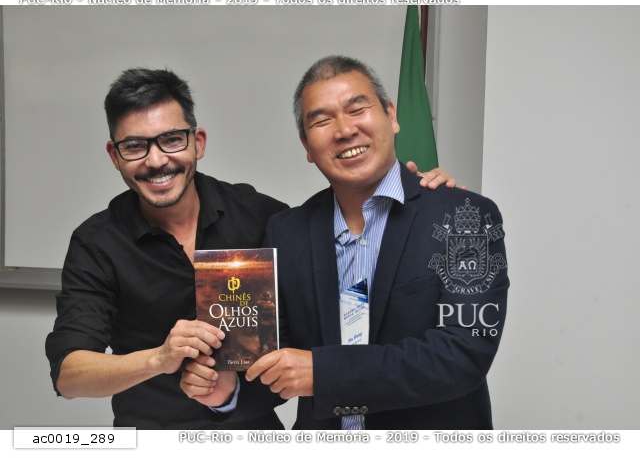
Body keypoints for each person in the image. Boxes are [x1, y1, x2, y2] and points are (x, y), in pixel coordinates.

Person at [45, 67, 458, 430]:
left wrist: (413, 195)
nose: (156, 161)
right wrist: (157, 359)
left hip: (253, 432)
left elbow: (346, 246)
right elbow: (69, 374)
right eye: (135, 146)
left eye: (171, 140)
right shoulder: (97, 242)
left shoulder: (263, 218)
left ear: (197, 142)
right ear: (114, 155)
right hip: (153, 434)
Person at [182, 56, 509, 429]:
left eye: (357, 109)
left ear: (390, 115)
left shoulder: (465, 217)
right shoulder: (287, 232)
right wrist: (226, 392)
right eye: (322, 121)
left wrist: (324, 373)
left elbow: (463, 353)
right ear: (306, 145)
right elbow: (275, 366)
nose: (344, 130)